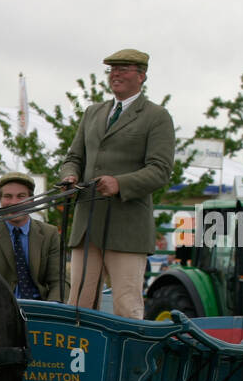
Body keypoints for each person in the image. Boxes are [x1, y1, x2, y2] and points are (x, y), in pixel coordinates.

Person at [59, 48, 176, 319]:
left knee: (127, 305)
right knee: (77, 304)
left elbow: (160, 171)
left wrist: (119, 184)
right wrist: (70, 176)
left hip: (127, 229)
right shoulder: (92, 113)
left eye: (123, 68)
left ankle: (130, 361)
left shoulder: (156, 116)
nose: (116, 74)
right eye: (112, 69)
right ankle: (78, 357)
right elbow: (74, 157)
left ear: (141, 76)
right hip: (87, 225)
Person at [0, 171, 66, 301]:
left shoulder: (49, 234)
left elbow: (59, 280)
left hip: (41, 308)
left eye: (21, 196)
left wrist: (52, 310)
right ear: (0, 200)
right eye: (8, 196)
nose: (14, 202)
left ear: (33, 200)